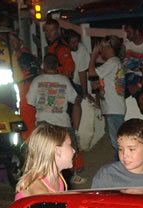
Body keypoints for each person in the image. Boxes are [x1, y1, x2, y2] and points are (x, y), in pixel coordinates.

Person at [88, 35, 126, 162]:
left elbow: (92, 73)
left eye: (102, 48)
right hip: (115, 107)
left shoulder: (112, 62)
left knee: (117, 143)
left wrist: (93, 55)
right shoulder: (116, 62)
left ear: (109, 48)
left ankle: (119, 167)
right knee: (117, 141)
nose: (101, 51)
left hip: (113, 108)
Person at [26, 54, 80, 134]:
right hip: (63, 125)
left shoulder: (36, 81)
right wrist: (75, 130)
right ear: (57, 65)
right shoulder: (64, 80)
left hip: (44, 126)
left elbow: (30, 101)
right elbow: (76, 101)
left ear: (43, 65)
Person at [63, 29, 90, 178]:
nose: (75, 45)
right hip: (64, 84)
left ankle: (76, 130)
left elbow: (82, 72)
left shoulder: (82, 51)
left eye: (76, 42)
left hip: (75, 85)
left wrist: (85, 92)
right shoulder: (62, 51)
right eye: (72, 42)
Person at [123, 22, 143, 97]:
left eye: (129, 32)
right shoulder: (126, 45)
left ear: (137, 32)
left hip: (142, 79)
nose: (127, 36)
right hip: (126, 77)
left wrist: (139, 85)